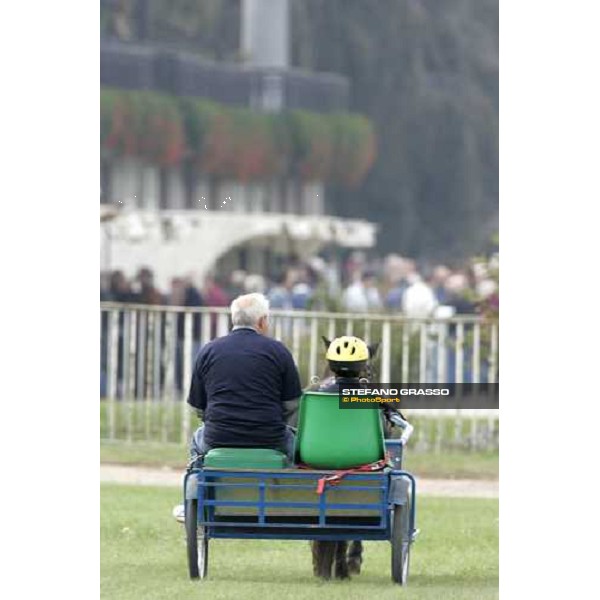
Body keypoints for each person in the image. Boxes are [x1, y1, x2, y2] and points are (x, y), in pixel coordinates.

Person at [188, 293, 302, 462]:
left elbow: (198, 407)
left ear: (234, 319)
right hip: (270, 438)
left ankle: (200, 487)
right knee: (297, 445)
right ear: (262, 321)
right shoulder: (278, 351)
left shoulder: (208, 351)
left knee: (197, 442)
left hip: (218, 438)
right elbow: (292, 404)